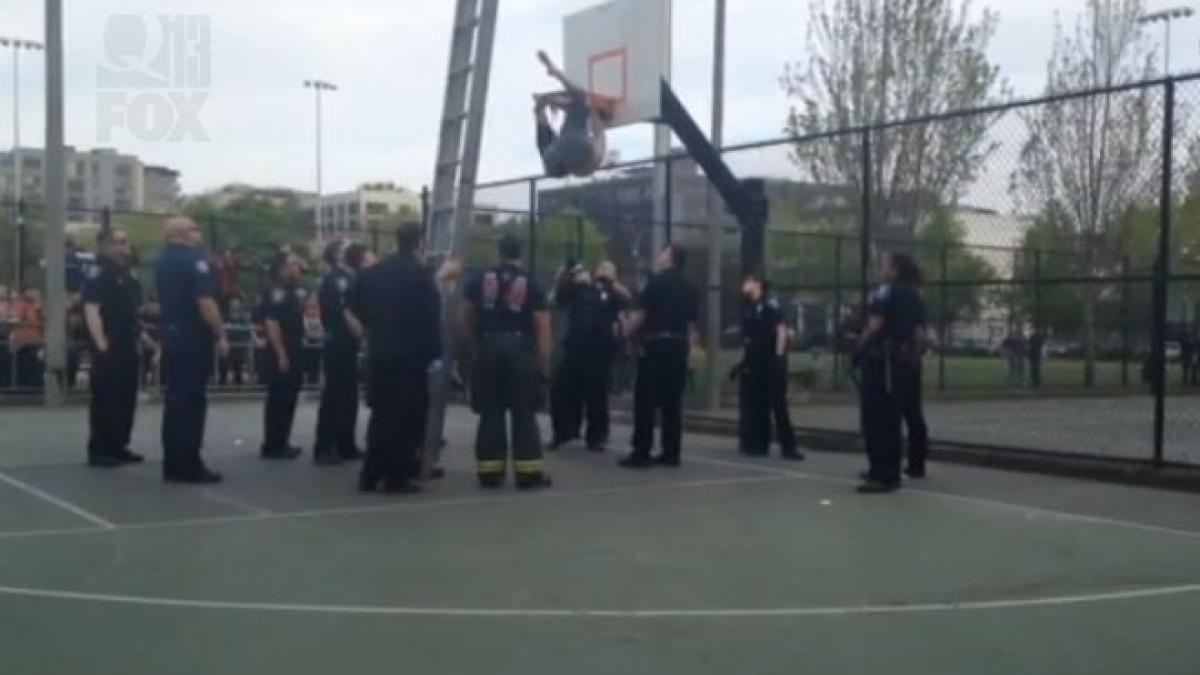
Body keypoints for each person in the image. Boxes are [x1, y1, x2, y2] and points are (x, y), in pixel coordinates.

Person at [345, 225, 442, 494]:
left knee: (382, 413)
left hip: (381, 351)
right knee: (407, 417)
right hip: (411, 354)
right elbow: (432, 317)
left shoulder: (372, 274)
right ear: (419, 244)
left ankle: (371, 473)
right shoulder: (421, 275)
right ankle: (397, 477)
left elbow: (351, 302)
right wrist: (435, 353)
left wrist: (373, 325)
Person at [462, 234, 553, 490]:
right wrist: (543, 364)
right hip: (521, 350)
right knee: (524, 412)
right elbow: (542, 325)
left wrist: (474, 342)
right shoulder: (532, 282)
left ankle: (490, 473)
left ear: (499, 253)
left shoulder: (479, 279)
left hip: (488, 347)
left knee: (490, 410)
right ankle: (528, 474)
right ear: (519, 254)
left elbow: (465, 314)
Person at [155, 216, 228, 484]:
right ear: (183, 234)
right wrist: (220, 331)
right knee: (193, 402)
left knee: (176, 402)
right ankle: (189, 463)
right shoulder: (193, 260)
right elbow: (205, 301)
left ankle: (173, 462)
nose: (199, 234)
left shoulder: (162, 260)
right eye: (195, 229)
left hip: (173, 334)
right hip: (193, 337)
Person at [620, 244, 700, 469]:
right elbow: (692, 324)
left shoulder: (655, 283)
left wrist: (624, 331)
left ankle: (641, 452)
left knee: (645, 400)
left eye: (663, 252)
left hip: (655, 345)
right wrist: (692, 349)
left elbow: (641, 315)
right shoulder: (689, 288)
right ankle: (671, 452)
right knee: (672, 402)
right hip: (678, 346)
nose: (659, 255)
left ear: (671, 258)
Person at [855, 252, 928, 494]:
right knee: (894, 417)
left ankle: (882, 473)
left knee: (877, 417)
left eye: (884, 265)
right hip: (903, 361)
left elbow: (875, 325)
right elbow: (919, 333)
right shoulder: (915, 294)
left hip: (882, 360)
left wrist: (859, 345)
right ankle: (890, 469)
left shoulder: (886, 291)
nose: (881, 269)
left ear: (895, 270)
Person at [550, 260, 631, 451]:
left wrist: (610, 282)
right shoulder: (582, 288)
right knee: (563, 391)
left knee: (597, 395)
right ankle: (564, 431)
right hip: (575, 348)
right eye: (601, 267)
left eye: (608, 268)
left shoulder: (614, 292)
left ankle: (596, 436)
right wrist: (573, 279)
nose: (602, 270)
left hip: (600, 350)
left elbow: (629, 299)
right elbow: (559, 297)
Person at [81, 229, 144, 468]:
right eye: (118, 243)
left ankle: (119, 445)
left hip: (128, 343)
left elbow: (131, 311)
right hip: (110, 345)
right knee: (106, 398)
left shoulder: (126, 274)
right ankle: (100, 449)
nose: (124, 247)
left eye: (125, 242)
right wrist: (101, 342)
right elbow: (92, 309)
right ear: (105, 247)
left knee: (125, 398)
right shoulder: (100, 273)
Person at [734, 272, 802, 461]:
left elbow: (781, 331)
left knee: (778, 404)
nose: (744, 284)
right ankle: (757, 443)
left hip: (771, 360)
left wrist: (778, 357)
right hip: (754, 360)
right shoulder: (749, 306)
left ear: (757, 284)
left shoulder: (770, 305)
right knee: (757, 403)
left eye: (748, 281)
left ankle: (789, 447)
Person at [313, 241, 368, 466]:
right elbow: (341, 309)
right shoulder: (336, 279)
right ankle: (325, 446)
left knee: (349, 397)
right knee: (334, 396)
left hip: (348, 342)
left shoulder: (352, 277)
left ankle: (346, 443)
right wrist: (359, 330)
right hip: (339, 340)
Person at [533, 50, 615, 178]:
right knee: (580, 101)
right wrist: (548, 101)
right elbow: (577, 102)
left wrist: (547, 101)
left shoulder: (557, 145)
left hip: (564, 162)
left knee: (579, 102)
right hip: (568, 156)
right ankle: (556, 75)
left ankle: (553, 81)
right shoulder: (549, 146)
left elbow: (597, 131)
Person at [258, 250, 307, 461]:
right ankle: (273, 443)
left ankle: (282, 441)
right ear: (283, 268)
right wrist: (281, 353)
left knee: (289, 397)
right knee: (279, 397)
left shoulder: (290, 289)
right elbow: (272, 322)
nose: (298, 269)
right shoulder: (276, 290)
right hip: (283, 347)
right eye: (294, 264)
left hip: (293, 346)